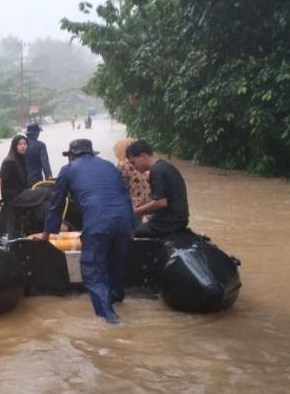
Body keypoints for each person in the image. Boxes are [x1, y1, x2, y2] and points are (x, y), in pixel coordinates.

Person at [34, 139, 134, 324]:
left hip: (98, 222)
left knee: (92, 269)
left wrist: (46, 234)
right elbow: (125, 195)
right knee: (117, 264)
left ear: (71, 155)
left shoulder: (68, 170)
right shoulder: (109, 165)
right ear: (92, 153)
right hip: (123, 220)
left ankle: (109, 319)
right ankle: (117, 300)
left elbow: (56, 205)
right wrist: (131, 228)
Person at [126, 140, 189, 237]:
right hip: (179, 219)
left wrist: (134, 212)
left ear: (143, 156)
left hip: (169, 223)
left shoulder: (156, 172)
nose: (134, 167)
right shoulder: (166, 167)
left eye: (134, 163)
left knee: (132, 234)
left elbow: (160, 203)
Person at [113, 137, 151, 225]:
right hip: (148, 206)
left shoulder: (123, 166)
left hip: (133, 207)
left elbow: (117, 188)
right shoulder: (144, 162)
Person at [0, 134, 28, 203]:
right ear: (14, 146)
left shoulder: (22, 159)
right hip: (12, 195)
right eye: (19, 144)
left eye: (25, 144)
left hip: (21, 192)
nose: (23, 146)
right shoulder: (9, 161)